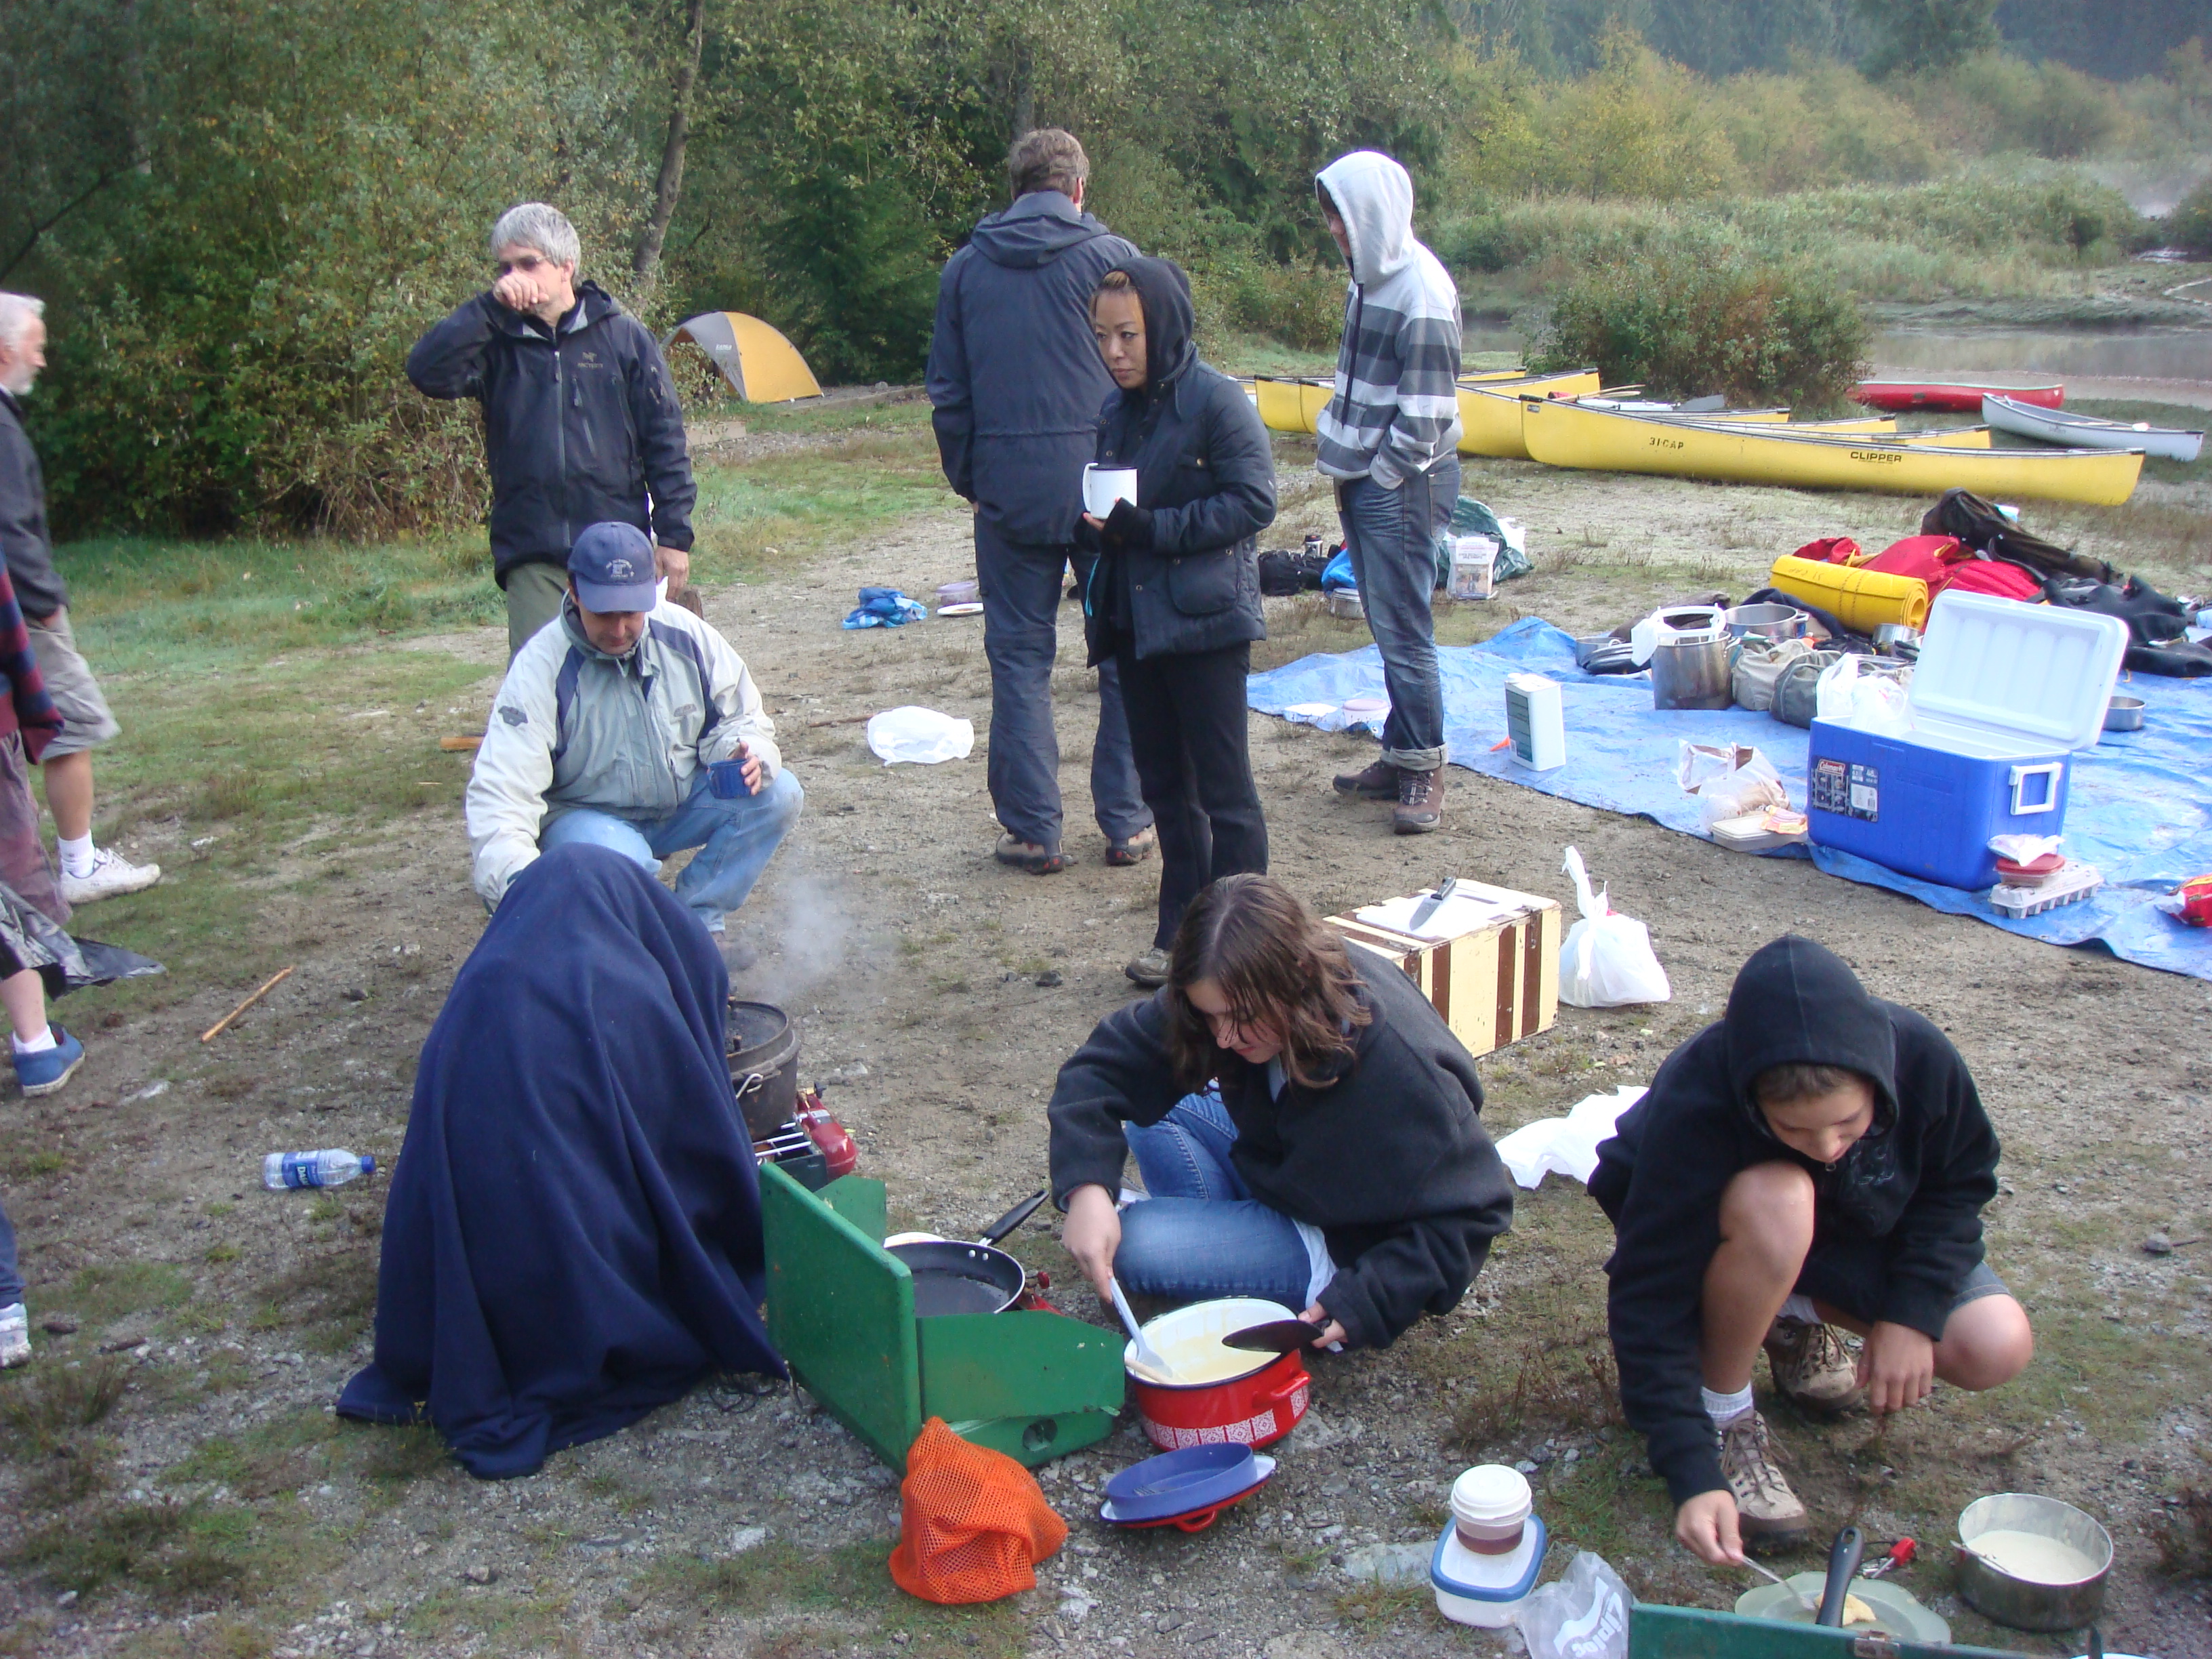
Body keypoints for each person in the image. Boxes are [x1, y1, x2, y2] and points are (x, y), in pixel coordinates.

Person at [337, 843, 783, 1477]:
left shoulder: (486, 977)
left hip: (454, 1294)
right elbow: (697, 1167)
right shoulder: (625, 995)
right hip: (565, 1308)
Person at [1591, 936, 2034, 1561]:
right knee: (1782, 1197)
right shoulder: (1698, 1095)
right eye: (1792, 1128)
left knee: (1994, 1344)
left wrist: (1911, 1313)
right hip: (1736, 1234)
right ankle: (1725, 1415)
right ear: (1753, 1101)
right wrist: (1689, 1467)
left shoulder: (1922, 1057)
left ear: (1877, 1084)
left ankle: (1787, 1314)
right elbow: (1649, 1287)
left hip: (1849, 1236)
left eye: (1849, 1125)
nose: (1827, 1147)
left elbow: (1958, 1186)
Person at [1048, 874, 1513, 1351]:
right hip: (1289, 1168)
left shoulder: (1397, 1070)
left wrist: (1371, 1298)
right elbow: (1104, 1069)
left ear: (1296, 978)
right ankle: (1226, 1250)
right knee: (1155, 1111)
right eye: (1210, 1016)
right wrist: (1086, 1187)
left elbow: (1476, 1210)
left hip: (1341, 1238)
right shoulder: (1230, 986)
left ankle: (1224, 1255)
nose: (1224, 1037)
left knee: (1136, 1246)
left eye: (1241, 1018)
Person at [926, 129, 1153, 876]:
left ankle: (1032, 831)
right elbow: (1144, 373)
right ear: (1079, 189)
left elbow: (948, 395)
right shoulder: (1114, 261)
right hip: (1105, 485)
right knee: (1124, 650)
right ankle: (1128, 820)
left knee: (1020, 657)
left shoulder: (966, 269)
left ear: (1015, 189)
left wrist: (974, 479)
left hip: (1010, 487)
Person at [464, 522, 800, 964]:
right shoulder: (539, 671)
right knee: (625, 866)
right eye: (605, 613)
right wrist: (520, 892)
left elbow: (742, 716)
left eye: (632, 612)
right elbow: (502, 797)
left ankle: (696, 928)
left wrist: (745, 751)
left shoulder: (685, 635)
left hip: (676, 802)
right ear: (574, 592)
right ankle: (637, 954)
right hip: (587, 821)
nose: (620, 628)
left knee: (779, 793)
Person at [1078, 260, 1275, 989]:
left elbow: (1253, 501)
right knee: (1165, 789)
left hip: (1206, 623)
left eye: (1128, 335)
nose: (1114, 351)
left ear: (1162, 327)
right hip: (1137, 623)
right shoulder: (1115, 411)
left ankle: (1248, 947)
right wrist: (1098, 527)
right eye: (1103, 336)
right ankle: (1182, 935)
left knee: (1226, 793)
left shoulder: (1217, 402)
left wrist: (1153, 528)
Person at [407, 204, 697, 659]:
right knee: (541, 679)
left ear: (566, 267)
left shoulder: (622, 337)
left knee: (623, 670)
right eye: (504, 267)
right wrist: (489, 309)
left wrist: (675, 537)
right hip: (532, 549)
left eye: (528, 263)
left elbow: (665, 439)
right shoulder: (496, 343)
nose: (512, 277)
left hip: (615, 542)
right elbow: (427, 373)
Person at [1310, 152, 1464, 835]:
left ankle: (1426, 768)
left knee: (1405, 630)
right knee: (1386, 622)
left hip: (1403, 481)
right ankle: (1400, 755)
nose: (1334, 231)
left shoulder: (1421, 292)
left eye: (1342, 217)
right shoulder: (1366, 280)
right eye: (1330, 217)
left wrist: (1381, 477)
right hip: (1362, 475)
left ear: (1372, 214)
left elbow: (1426, 415)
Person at [0, 292, 161, 903]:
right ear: (5, 349)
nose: (43, 360)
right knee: (71, 724)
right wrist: (45, 602)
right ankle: (81, 866)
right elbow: (10, 527)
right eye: (36, 346)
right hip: (23, 611)